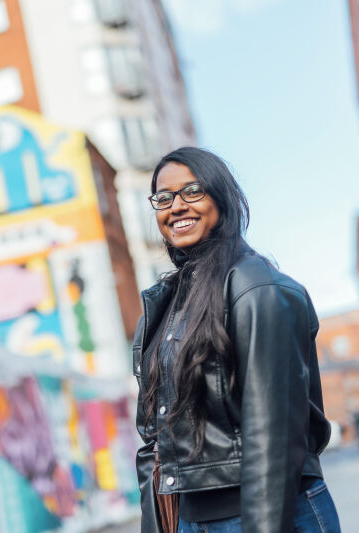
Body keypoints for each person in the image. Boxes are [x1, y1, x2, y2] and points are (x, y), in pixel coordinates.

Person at [134, 147, 340, 533]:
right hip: (191, 519)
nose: (176, 206)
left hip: (264, 513)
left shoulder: (254, 287)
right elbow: (153, 443)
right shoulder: (169, 304)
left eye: (192, 192)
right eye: (163, 198)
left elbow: (274, 434)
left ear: (222, 198)